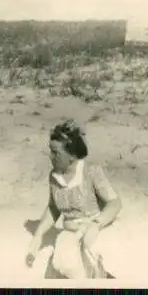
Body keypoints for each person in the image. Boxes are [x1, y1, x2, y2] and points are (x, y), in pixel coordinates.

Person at [25, 119, 122, 278]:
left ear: (71, 156)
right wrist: (38, 235)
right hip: (71, 231)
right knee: (63, 266)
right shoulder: (54, 176)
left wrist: (96, 225)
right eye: (51, 151)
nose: (50, 156)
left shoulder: (91, 172)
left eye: (56, 152)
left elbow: (114, 203)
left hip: (97, 227)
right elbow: (53, 207)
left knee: (96, 259)